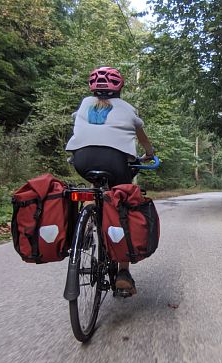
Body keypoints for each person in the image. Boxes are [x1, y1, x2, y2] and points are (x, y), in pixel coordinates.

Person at [66, 66, 155, 296]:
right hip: (117, 163)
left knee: (95, 191)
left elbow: (80, 130)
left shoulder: (84, 104)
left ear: (92, 88)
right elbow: (142, 138)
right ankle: (123, 274)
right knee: (122, 203)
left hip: (82, 160)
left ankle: (84, 229)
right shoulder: (127, 108)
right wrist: (150, 153)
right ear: (120, 88)